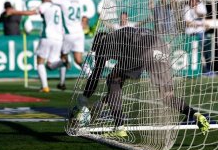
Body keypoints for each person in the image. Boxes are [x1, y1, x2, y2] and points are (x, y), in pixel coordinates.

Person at [70, 27, 210, 137]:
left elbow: (95, 76)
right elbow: (117, 88)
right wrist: (100, 104)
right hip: (161, 47)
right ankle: (195, 114)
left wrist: (83, 101)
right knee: (167, 96)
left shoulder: (105, 43)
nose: (100, 56)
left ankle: (119, 128)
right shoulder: (123, 37)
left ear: (98, 43)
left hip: (143, 48)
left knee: (112, 79)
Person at [7, 0, 66, 93]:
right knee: (51, 63)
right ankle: (63, 63)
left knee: (39, 62)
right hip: (58, 38)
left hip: (47, 36)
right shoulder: (58, 6)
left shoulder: (45, 5)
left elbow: (31, 13)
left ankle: (45, 87)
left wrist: (14, 12)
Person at [51, 0, 92, 90]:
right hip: (79, 34)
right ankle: (91, 76)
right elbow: (84, 17)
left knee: (63, 58)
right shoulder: (76, 1)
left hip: (69, 34)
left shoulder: (62, 0)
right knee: (79, 60)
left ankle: (62, 83)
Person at [184, 0, 213, 76]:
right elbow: (187, 23)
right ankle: (192, 71)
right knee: (191, 52)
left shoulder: (201, 6)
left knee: (206, 49)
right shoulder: (186, 8)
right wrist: (195, 24)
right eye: (191, 0)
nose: (192, 2)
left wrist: (196, 11)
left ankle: (208, 70)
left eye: (194, 0)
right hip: (190, 34)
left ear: (197, 0)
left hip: (200, 33)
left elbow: (203, 16)